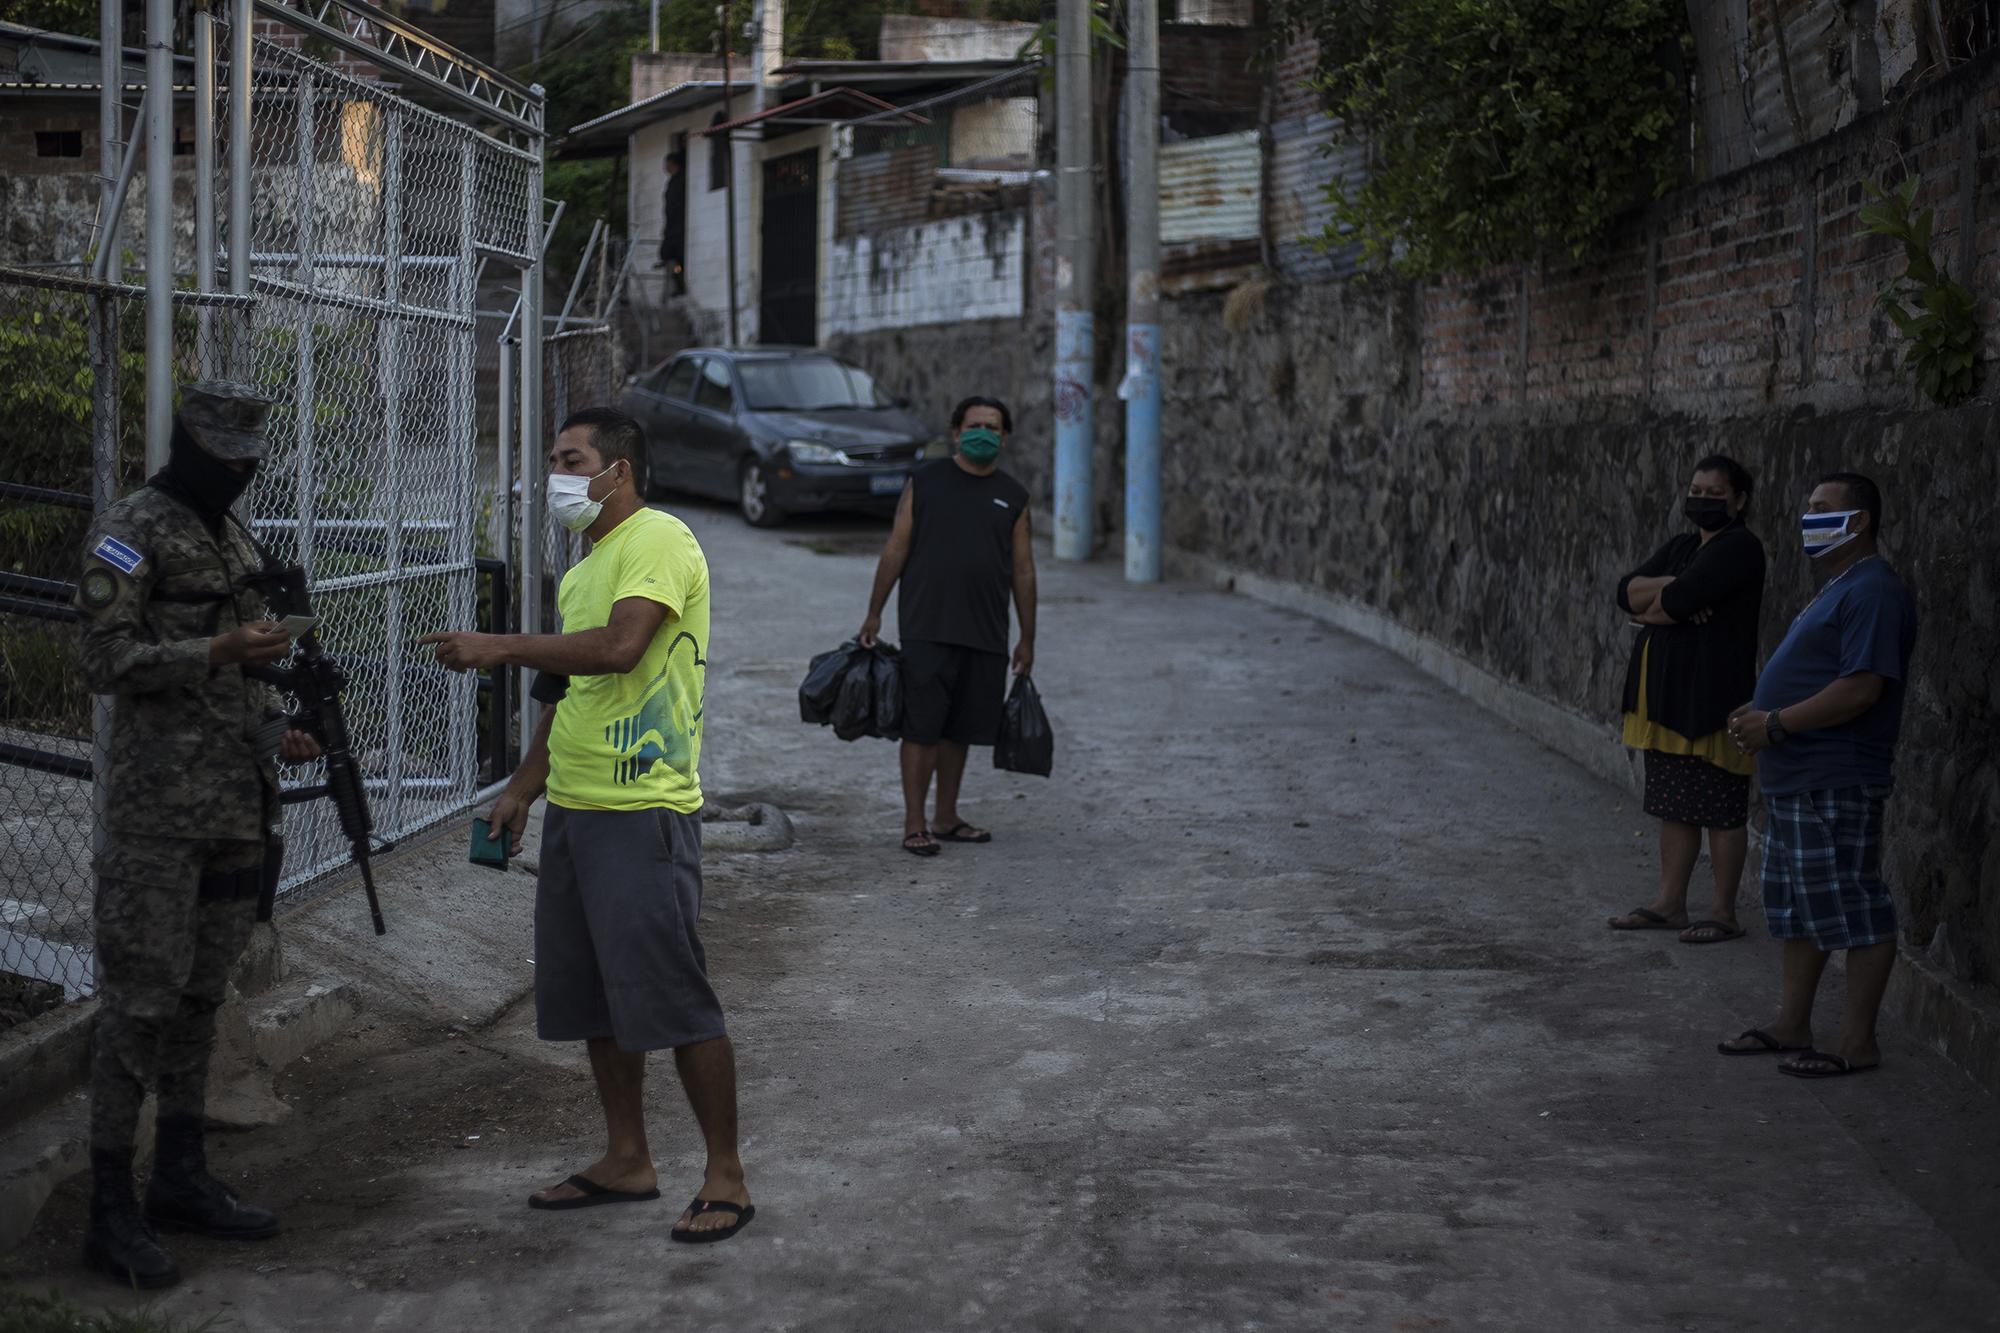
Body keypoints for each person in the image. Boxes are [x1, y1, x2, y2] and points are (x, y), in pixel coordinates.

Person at [419, 408, 752, 1241]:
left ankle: (726, 1174)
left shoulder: (660, 539)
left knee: (673, 996)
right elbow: (571, 695)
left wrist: (497, 646)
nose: (556, 476)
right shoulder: (583, 570)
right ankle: (627, 1158)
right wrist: (524, 789)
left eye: (571, 459)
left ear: (620, 470)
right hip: (576, 809)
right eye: (554, 459)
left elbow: (621, 649)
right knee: (596, 999)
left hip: (644, 812)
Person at [75, 381, 322, 1288]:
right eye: (224, 460)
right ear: (190, 450)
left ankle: (179, 1175)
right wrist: (215, 651)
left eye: (248, 462)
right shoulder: (131, 526)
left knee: (197, 1001)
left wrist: (281, 730)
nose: (237, 474)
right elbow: (104, 660)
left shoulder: (237, 535)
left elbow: (250, 681)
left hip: (234, 805)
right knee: (139, 1002)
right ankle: (108, 1207)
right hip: (157, 818)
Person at [1717, 473, 1917, 1078]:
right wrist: (1761, 714)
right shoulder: (1838, 586)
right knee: (1799, 908)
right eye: (1807, 507)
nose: (1809, 517)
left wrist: (1775, 724)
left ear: (1858, 522)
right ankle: (1792, 1023)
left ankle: (1857, 1043)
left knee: (1853, 906)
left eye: (1822, 509)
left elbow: (1860, 688)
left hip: (1835, 778)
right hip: (1796, 782)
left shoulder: (1873, 590)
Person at [858, 395, 1036, 856]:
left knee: (962, 729)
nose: (983, 433)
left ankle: (947, 816)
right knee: (922, 729)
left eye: (992, 427)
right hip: (927, 625)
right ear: (956, 432)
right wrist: (875, 610)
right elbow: (896, 548)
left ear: (1004, 437)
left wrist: (1027, 637)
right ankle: (915, 823)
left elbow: (1023, 571)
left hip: (986, 631)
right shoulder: (926, 480)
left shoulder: (1014, 496)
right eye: (974, 424)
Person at [1609, 456, 1766, 943]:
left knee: (1720, 804)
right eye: (1696, 489)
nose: (1702, 499)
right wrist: (1670, 594)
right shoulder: (1682, 547)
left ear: (1739, 501)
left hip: (1712, 695)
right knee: (1674, 803)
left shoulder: (1740, 548)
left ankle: (1723, 912)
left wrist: (1664, 602)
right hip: (1666, 698)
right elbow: (1625, 592)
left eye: (1715, 493)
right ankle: (1670, 904)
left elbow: (1670, 604)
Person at [655, 152, 687, 297]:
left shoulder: (681, 180)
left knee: (676, 255)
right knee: (667, 254)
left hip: (678, 226)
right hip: (671, 226)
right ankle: (678, 281)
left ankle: (681, 284)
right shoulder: (672, 181)